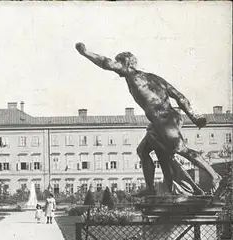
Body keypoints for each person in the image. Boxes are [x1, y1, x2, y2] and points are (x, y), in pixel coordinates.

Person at [75, 42, 226, 197]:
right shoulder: (155, 79)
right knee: (142, 150)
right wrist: (194, 116)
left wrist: (85, 53)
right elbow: (180, 96)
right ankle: (150, 188)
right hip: (163, 120)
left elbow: (105, 62)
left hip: (164, 119)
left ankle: (214, 176)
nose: (117, 69)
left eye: (119, 62)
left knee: (181, 149)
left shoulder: (130, 73)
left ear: (127, 63)